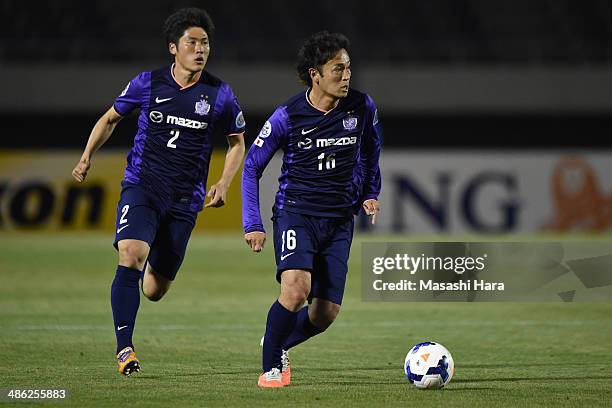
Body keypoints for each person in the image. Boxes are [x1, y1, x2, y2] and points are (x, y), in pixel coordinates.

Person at [71, 8, 245, 376]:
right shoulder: (147, 84)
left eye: (205, 44)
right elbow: (110, 120)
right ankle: (125, 349)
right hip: (143, 186)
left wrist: (224, 182)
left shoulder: (219, 94)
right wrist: (86, 157)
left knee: (154, 288)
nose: (200, 50)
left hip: (186, 199)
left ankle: (150, 262)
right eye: (192, 43)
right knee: (131, 255)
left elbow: (237, 142)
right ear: (173, 48)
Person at [241, 31, 382, 387]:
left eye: (348, 68)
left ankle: (277, 340)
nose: (346, 75)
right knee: (295, 288)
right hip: (296, 213)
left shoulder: (361, 107)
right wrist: (252, 222)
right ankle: (271, 367)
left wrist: (370, 191)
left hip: (339, 220)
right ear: (314, 74)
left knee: (325, 313)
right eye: (338, 68)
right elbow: (252, 165)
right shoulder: (288, 115)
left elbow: (370, 153)